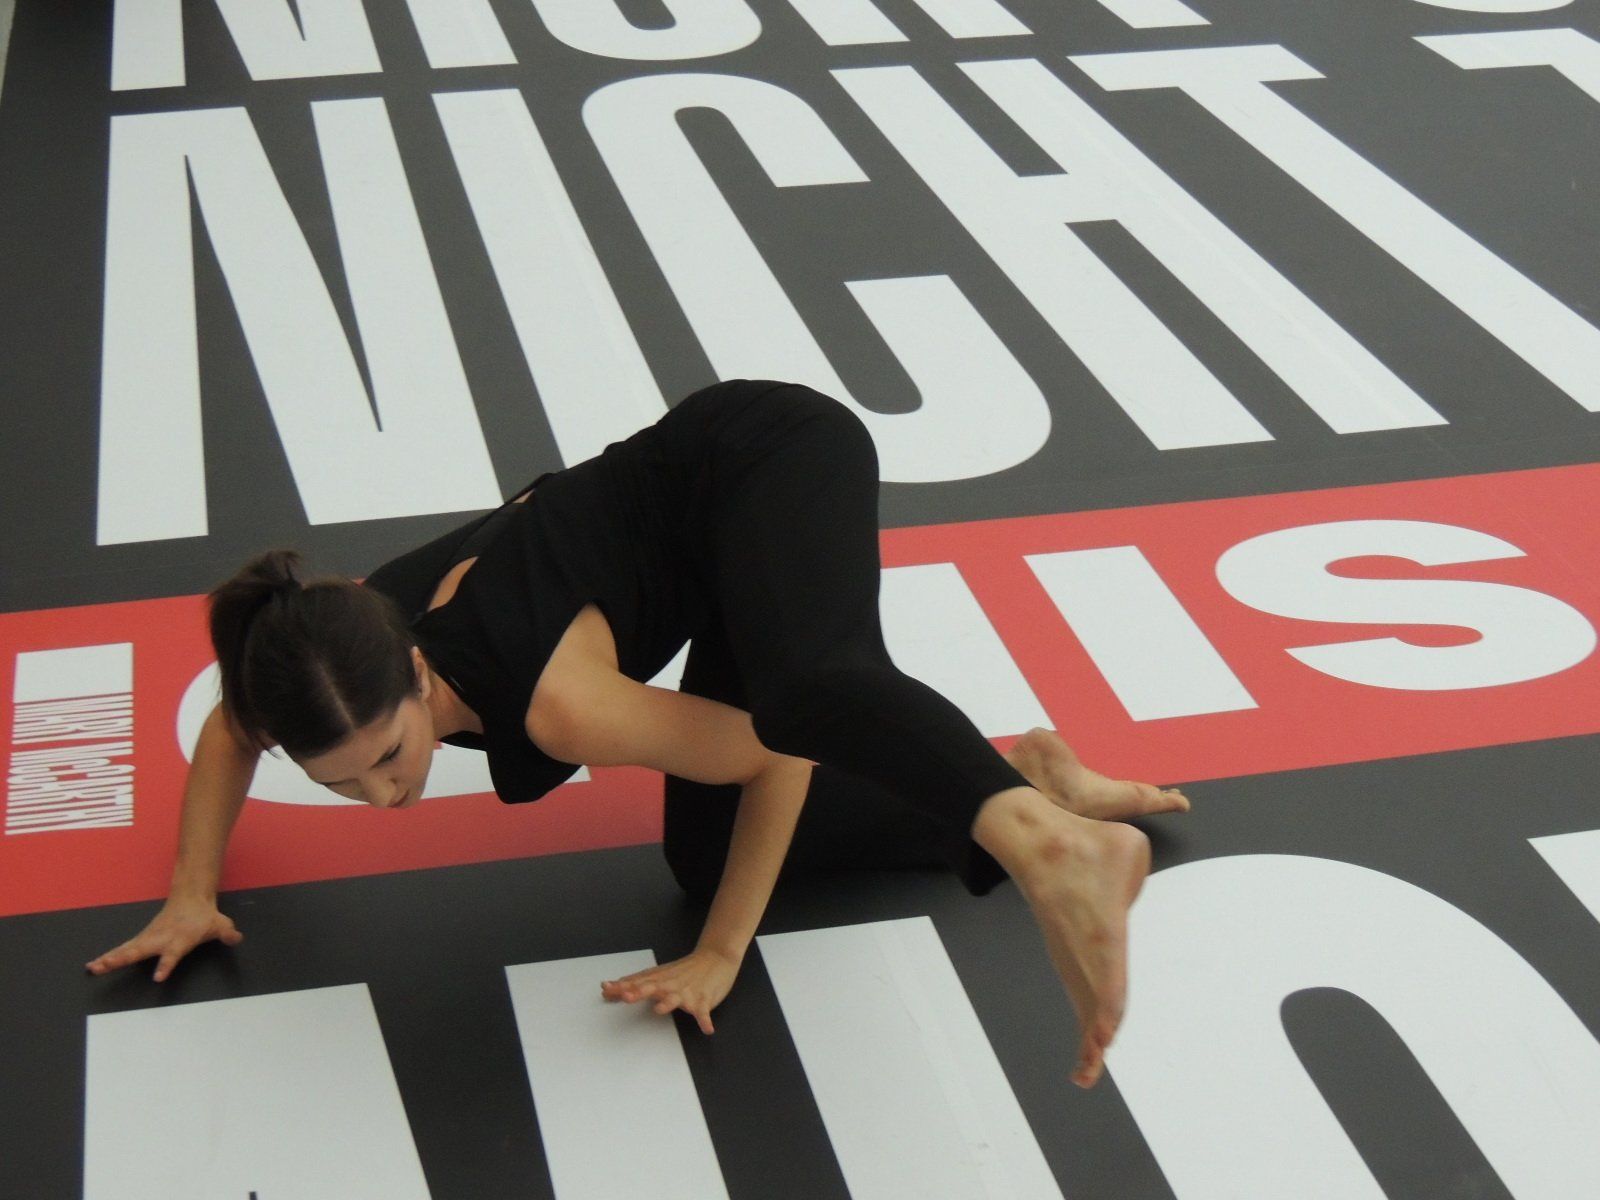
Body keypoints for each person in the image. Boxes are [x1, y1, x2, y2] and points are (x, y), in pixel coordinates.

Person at [86, 379, 1187, 1089]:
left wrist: (721, 954)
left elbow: (775, 755)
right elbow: (231, 729)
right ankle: (1020, 771)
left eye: (388, 757)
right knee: (703, 859)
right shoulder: (332, 651)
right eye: (343, 784)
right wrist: (191, 891)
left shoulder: (558, 702)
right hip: (704, 568)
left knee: (804, 696)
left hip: (764, 457)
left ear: (417, 672)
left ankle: (1045, 841)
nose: (383, 797)